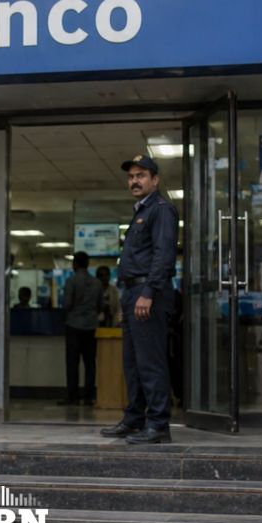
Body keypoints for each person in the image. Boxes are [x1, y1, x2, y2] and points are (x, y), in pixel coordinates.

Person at [99, 155, 179, 445]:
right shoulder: (141, 211)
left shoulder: (161, 210)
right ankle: (135, 418)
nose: (135, 181)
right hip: (134, 293)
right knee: (132, 363)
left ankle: (158, 424)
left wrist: (148, 292)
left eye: (141, 175)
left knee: (151, 361)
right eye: (131, 176)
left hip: (150, 293)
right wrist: (128, 299)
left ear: (155, 180)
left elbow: (164, 254)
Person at [62, 251, 100, 406]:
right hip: (91, 326)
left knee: (72, 363)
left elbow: (67, 304)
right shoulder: (97, 283)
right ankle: (89, 397)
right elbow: (100, 306)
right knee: (90, 363)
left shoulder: (71, 281)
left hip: (73, 325)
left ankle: (73, 397)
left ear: (75, 264)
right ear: (88, 264)